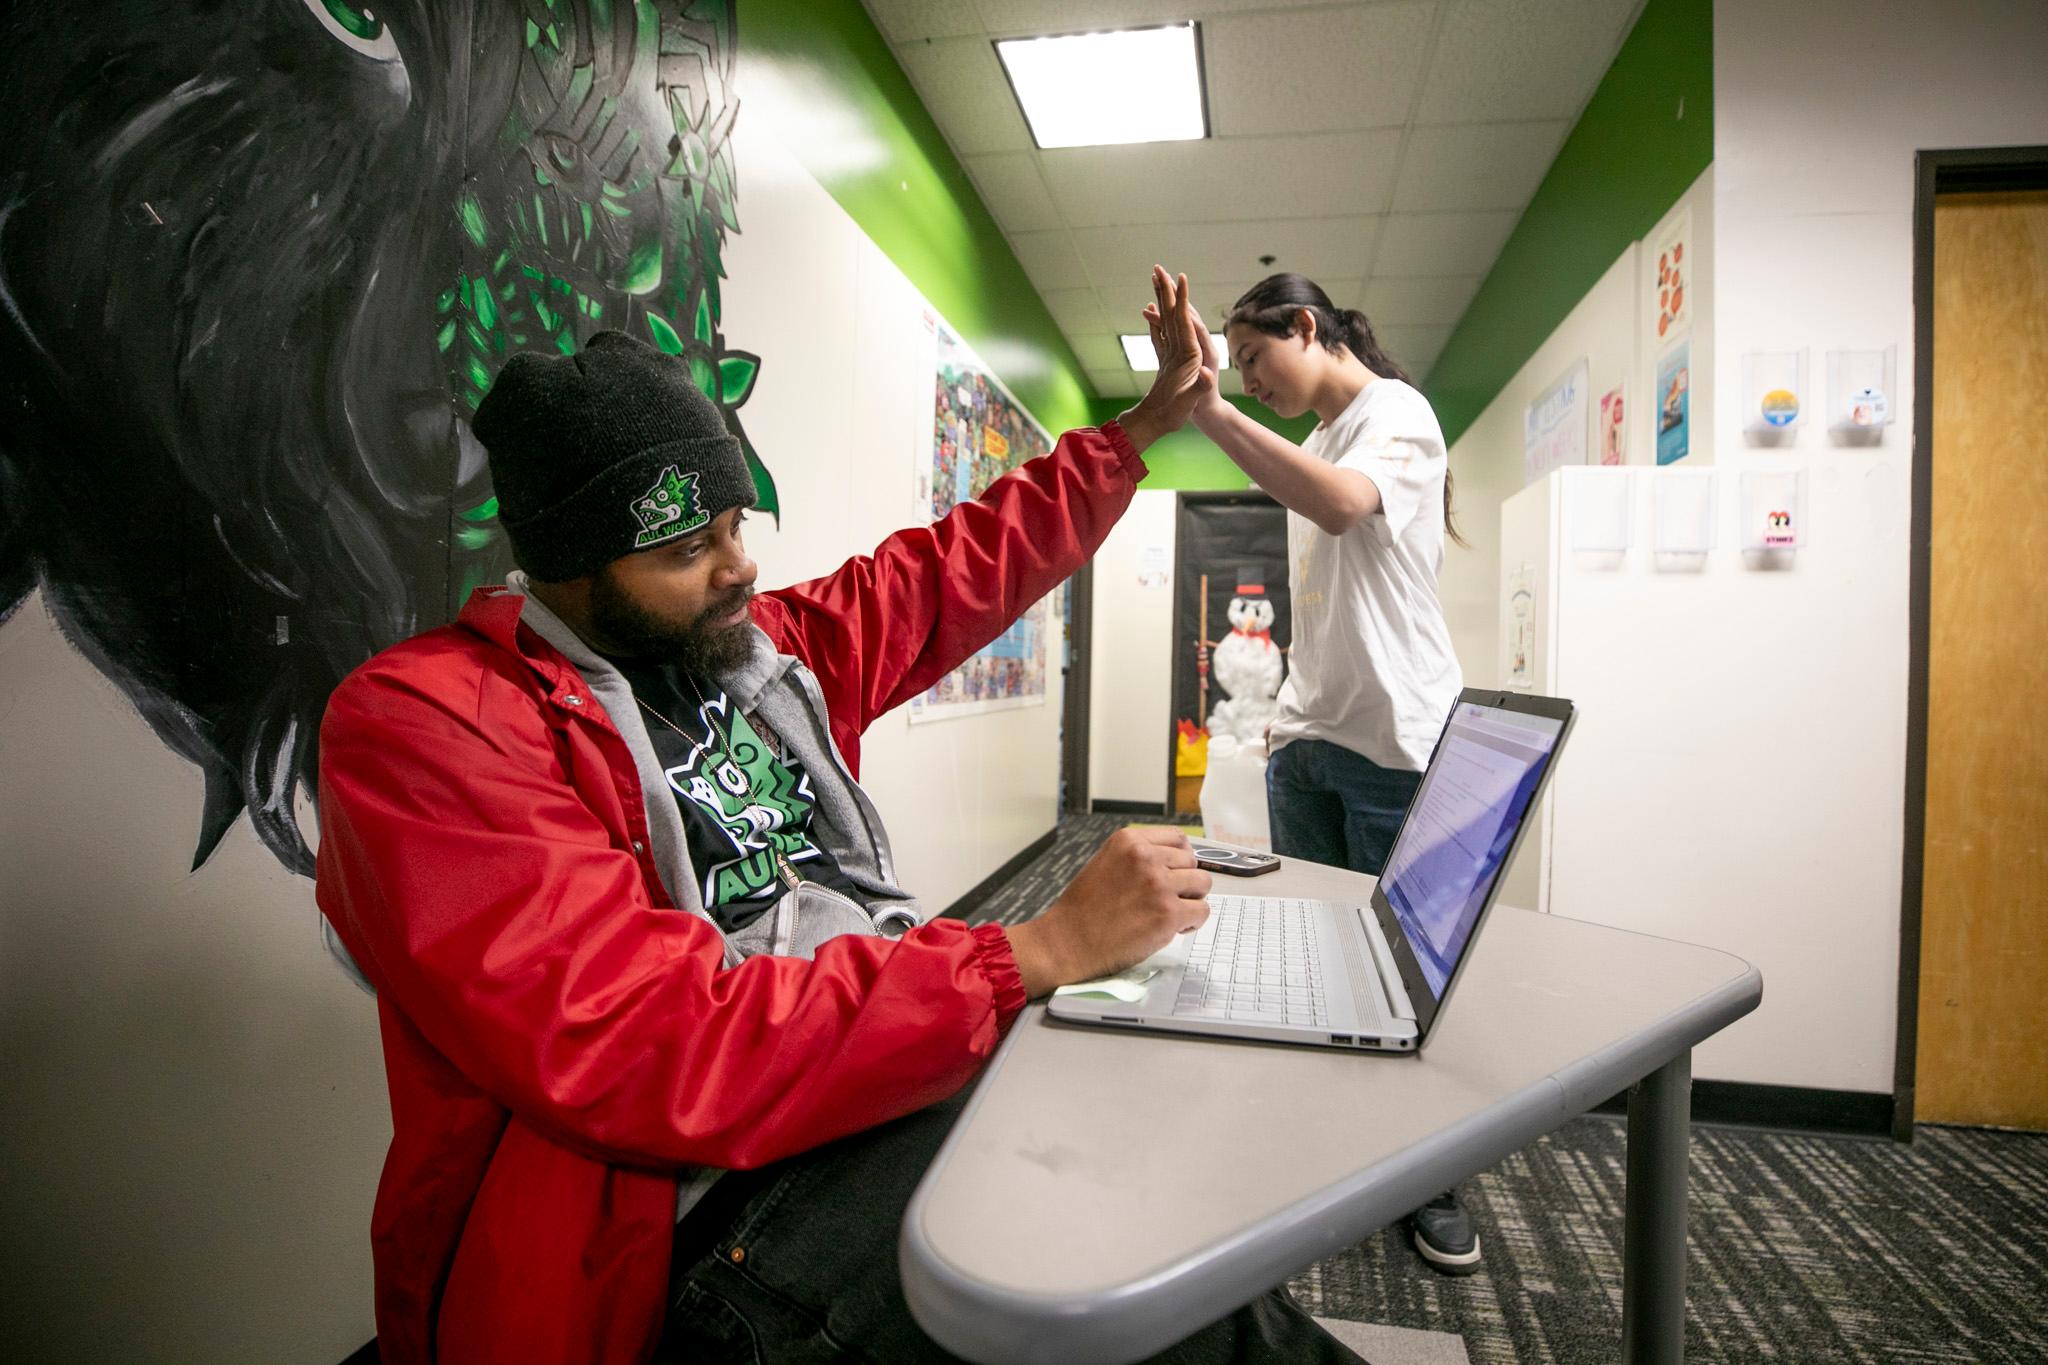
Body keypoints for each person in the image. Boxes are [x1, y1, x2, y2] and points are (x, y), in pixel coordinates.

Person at [315, 309, 1371, 1362]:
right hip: (692, 1217)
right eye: (689, 548)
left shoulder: (748, 652)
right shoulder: (425, 724)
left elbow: (945, 572)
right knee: (1172, 1329)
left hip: (861, 1076)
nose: (737, 569)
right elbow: (642, 1039)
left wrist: (1131, 435)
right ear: (568, 564)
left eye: (736, 526)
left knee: (1155, 1241)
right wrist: (1024, 955)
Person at [1147, 269, 1479, 1276]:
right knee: (1323, 959)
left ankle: (1431, 1179)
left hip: (1391, 746)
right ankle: (1341, 1151)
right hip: (1310, 744)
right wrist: (1286, 731)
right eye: (1235, 369)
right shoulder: (1323, 436)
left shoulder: (1395, 414)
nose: (1250, 382)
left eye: (1255, 358)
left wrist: (1204, 406)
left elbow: (1339, 510)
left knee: (1406, 974)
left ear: (1305, 326)